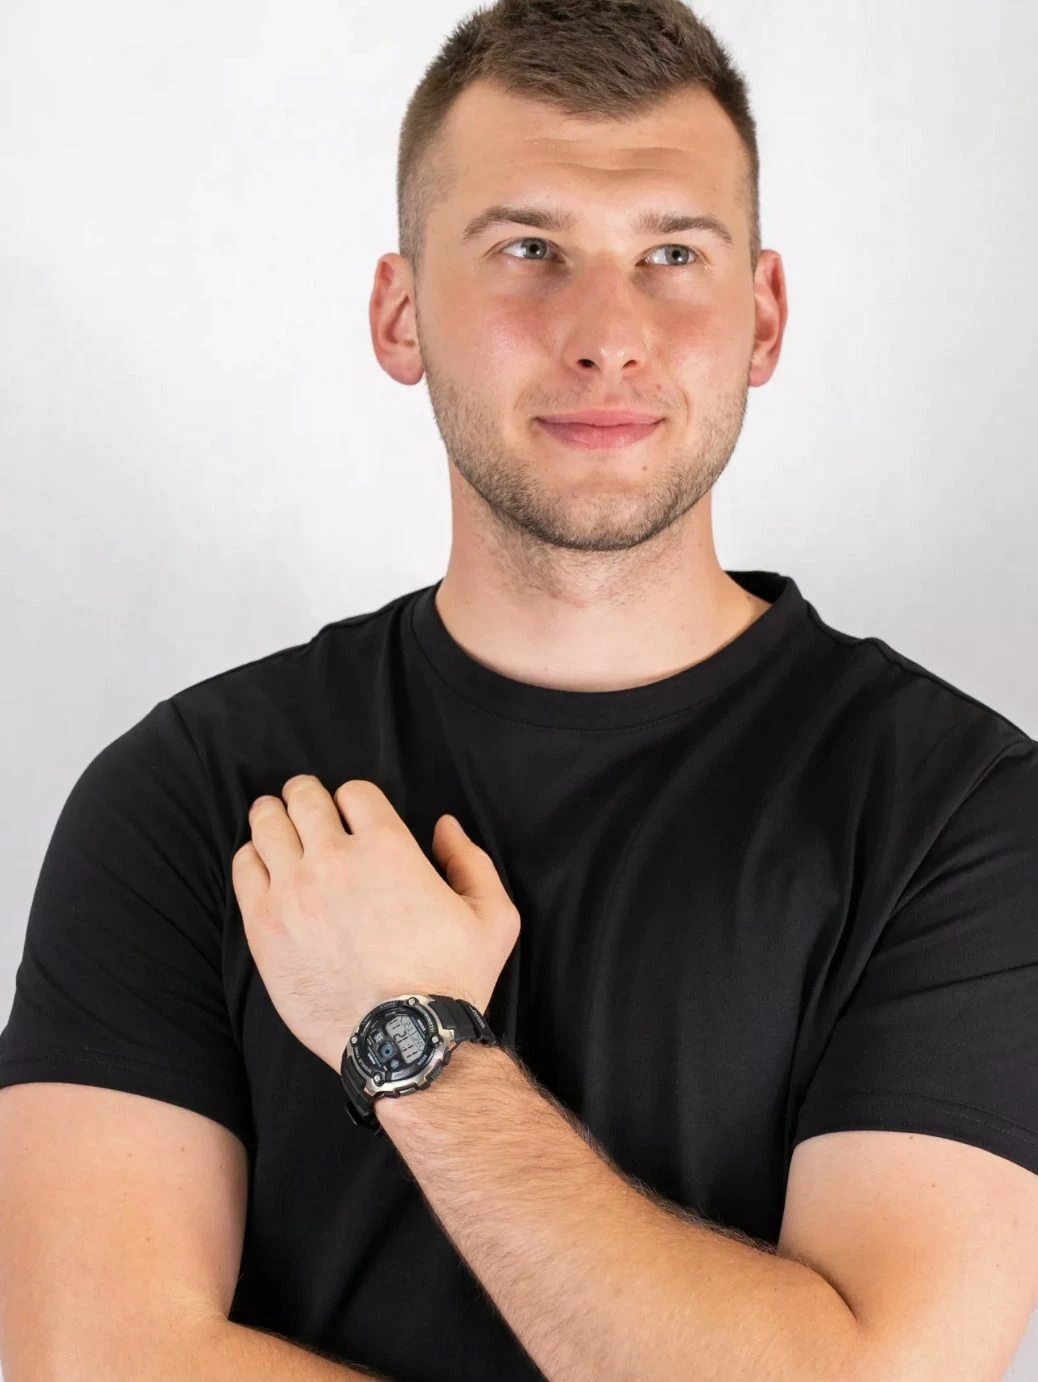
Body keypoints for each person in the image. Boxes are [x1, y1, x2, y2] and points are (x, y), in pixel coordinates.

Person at [2, 2, 1037, 1380]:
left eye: (673, 254)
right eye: (528, 251)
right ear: (401, 313)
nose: (606, 333)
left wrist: (413, 1039)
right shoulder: (190, 792)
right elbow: (90, 1358)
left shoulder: (956, 812)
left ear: (762, 317)